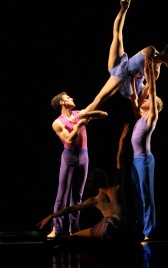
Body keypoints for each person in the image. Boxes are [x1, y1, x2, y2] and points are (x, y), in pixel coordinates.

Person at [80, 0, 168, 115]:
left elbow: (145, 92)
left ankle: (79, 117)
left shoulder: (156, 73)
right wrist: (148, 81)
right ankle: (124, 7)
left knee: (99, 99)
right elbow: (148, 67)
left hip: (123, 78)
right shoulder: (151, 50)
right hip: (121, 63)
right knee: (117, 35)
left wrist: (138, 107)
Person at [37, 123, 130, 240]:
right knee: (103, 227)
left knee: (76, 235)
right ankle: (109, 231)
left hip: (107, 227)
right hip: (120, 227)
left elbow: (71, 209)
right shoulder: (116, 187)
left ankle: (104, 232)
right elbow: (120, 160)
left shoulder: (95, 200)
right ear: (104, 176)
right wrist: (122, 140)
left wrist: (51, 215)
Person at [46, 91, 108, 239]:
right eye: (68, 97)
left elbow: (102, 112)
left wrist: (90, 114)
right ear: (61, 102)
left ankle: (74, 229)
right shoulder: (58, 122)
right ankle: (57, 228)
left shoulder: (78, 114)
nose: (72, 98)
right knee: (62, 195)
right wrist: (79, 125)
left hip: (84, 156)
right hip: (70, 157)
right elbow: (68, 140)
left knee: (77, 196)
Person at [130, 59, 163, 245]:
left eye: (149, 99)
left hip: (144, 160)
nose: (146, 98)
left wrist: (151, 75)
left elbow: (152, 92)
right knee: (136, 194)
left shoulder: (151, 118)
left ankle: (149, 232)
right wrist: (134, 83)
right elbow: (134, 99)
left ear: (152, 106)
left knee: (145, 195)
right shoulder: (139, 118)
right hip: (135, 160)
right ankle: (140, 226)